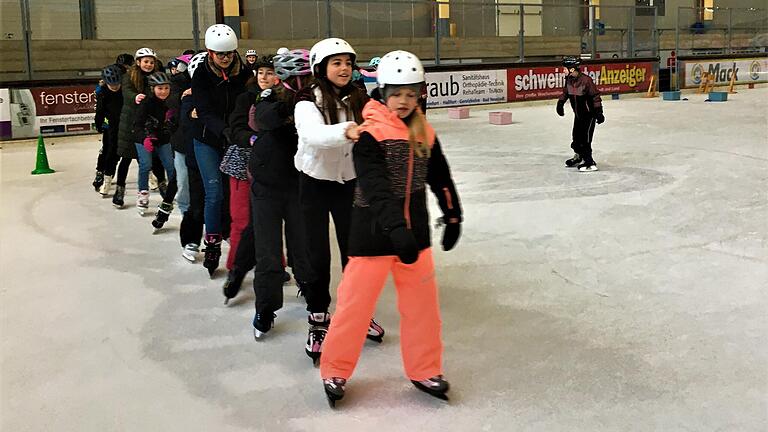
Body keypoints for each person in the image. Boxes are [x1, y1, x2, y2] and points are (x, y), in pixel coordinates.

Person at [319, 50, 462, 407]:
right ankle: (335, 369)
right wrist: (396, 230)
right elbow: (376, 188)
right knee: (354, 307)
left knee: (423, 310)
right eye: (396, 93)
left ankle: (424, 369)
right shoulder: (370, 134)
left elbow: (439, 176)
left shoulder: (422, 130)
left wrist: (452, 212)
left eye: (411, 94)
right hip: (373, 234)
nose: (403, 101)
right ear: (382, 92)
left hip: (416, 238)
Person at [294, 38, 386, 363]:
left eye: (348, 62)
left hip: (349, 185)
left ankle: (357, 313)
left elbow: (380, 124)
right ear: (321, 68)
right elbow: (311, 135)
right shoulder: (307, 101)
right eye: (337, 63)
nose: (344, 68)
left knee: (356, 252)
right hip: (315, 184)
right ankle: (318, 316)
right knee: (316, 253)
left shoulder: (359, 98)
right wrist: (347, 130)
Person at [228, 49, 314, 339]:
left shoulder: (313, 98)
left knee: (302, 243)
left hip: (300, 182)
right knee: (267, 249)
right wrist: (293, 107)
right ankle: (266, 307)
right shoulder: (268, 98)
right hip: (266, 183)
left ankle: (310, 288)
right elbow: (264, 119)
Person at [192, 24, 249, 276]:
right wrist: (225, 131)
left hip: (235, 139)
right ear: (210, 52)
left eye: (229, 54)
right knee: (214, 191)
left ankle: (231, 234)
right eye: (220, 54)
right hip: (208, 140)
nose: (225, 59)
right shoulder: (201, 75)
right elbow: (204, 112)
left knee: (233, 193)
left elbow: (247, 104)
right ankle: (212, 241)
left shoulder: (244, 73)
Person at [220, 54, 277, 301]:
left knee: (270, 220)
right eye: (261, 72)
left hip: (273, 167)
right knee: (243, 218)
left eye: (270, 73)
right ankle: (235, 267)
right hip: (243, 164)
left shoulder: (282, 98)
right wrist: (252, 139)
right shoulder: (246, 97)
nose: (265, 77)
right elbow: (236, 128)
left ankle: (276, 262)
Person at [115, 47, 160, 209]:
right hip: (130, 124)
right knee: (126, 159)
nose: (148, 64)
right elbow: (126, 92)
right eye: (146, 61)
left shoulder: (156, 77)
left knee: (153, 159)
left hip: (148, 123)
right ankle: (119, 190)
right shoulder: (128, 77)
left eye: (151, 62)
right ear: (138, 62)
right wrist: (136, 97)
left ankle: (163, 187)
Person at [133, 71, 177, 222]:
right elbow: (137, 126)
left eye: (166, 88)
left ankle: (173, 191)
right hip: (144, 139)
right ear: (153, 89)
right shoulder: (146, 103)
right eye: (160, 88)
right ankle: (143, 194)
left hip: (163, 140)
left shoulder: (172, 102)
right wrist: (144, 139)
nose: (163, 91)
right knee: (146, 165)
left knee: (171, 166)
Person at [179, 52, 208, 262]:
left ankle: (223, 235)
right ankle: (191, 240)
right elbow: (187, 119)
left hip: (219, 155)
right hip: (195, 156)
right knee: (197, 202)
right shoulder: (188, 95)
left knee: (221, 200)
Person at [556, 56, 604, 172]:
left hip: (589, 115)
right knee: (576, 138)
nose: (563, 70)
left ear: (572, 69)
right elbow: (566, 92)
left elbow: (595, 96)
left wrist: (599, 112)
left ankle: (589, 162)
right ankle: (579, 156)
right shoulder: (569, 80)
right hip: (578, 115)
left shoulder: (586, 80)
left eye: (565, 68)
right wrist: (560, 103)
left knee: (585, 139)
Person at [92, 65, 124, 197]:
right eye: (112, 84)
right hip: (110, 126)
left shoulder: (124, 90)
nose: (115, 87)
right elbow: (99, 111)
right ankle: (101, 174)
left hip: (125, 125)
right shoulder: (102, 93)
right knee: (108, 150)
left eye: (117, 84)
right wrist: (99, 124)